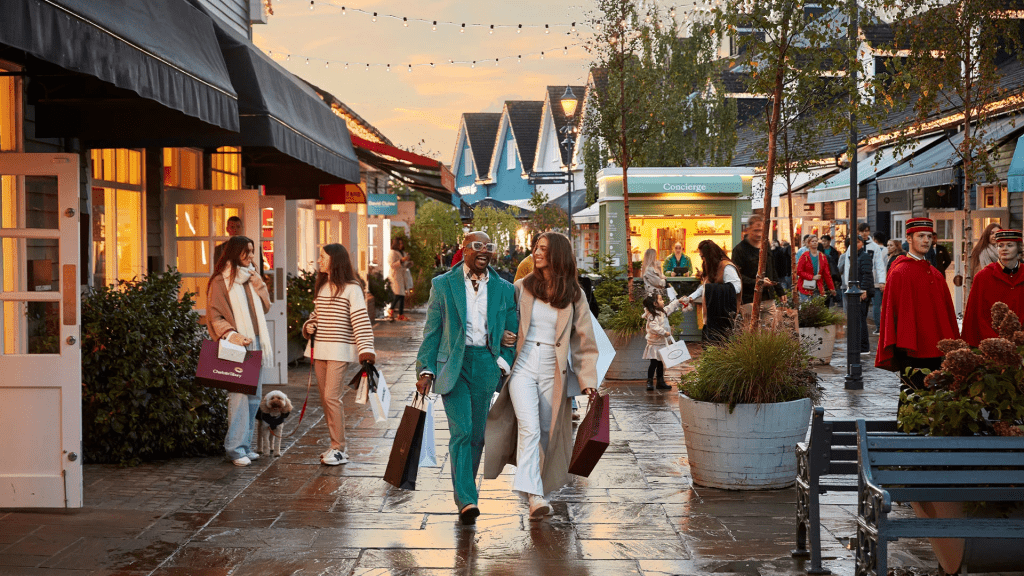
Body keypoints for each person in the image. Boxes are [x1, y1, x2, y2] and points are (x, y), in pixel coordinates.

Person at [484, 232, 599, 520]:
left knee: (547, 432)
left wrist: (588, 383)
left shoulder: (574, 294)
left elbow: (584, 341)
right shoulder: (522, 286)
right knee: (530, 428)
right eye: (536, 248)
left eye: (543, 249)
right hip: (523, 364)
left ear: (557, 254)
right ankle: (534, 496)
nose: (536, 253)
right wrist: (505, 336)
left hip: (553, 367)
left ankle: (537, 489)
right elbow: (502, 319)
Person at [415, 231, 518, 525]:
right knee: (461, 430)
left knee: (477, 435)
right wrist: (425, 369)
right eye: (477, 246)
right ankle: (468, 499)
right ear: (464, 249)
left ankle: (465, 493)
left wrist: (501, 362)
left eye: (489, 246)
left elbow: (512, 330)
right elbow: (432, 331)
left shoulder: (503, 288)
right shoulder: (443, 285)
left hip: (486, 364)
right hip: (453, 366)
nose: (484, 251)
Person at [302, 244, 376, 466]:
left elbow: (361, 320)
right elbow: (317, 316)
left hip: (339, 350)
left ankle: (339, 448)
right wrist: (309, 326)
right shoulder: (323, 287)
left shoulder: (352, 288)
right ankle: (335, 444)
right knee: (326, 400)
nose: (319, 260)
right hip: (320, 350)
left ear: (335, 260)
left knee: (332, 398)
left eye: (323, 257)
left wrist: (366, 349)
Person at [206, 236, 273, 467]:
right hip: (236, 343)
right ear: (236, 253)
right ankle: (235, 449)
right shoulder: (220, 281)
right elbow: (214, 316)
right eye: (247, 252)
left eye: (253, 252)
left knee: (254, 396)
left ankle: (245, 445)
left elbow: (265, 307)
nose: (252, 256)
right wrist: (233, 335)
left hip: (255, 342)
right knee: (238, 396)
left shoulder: (251, 277)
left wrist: (260, 286)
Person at [876, 218, 959, 401]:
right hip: (910, 347)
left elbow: (945, 312)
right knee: (912, 396)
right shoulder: (900, 272)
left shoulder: (936, 274)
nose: (926, 240)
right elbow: (892, 312)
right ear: (909, 239)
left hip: (935, 346)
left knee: (936, 396)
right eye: (920, 236)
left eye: (929, 236)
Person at [962, 229, 1024, 346]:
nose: (1004, 249)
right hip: (990, 345)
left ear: (1018, 248)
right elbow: (975, 315)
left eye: (1009, 245)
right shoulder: (983, 277)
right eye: (1000, 245)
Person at [682, 239, 741, 343]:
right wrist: (691, 297)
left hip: (721, 317)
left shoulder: (726, 267)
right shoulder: (711, 266)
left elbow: (737, 287)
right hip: (710, 317)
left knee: (719, 346)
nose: (702, 259)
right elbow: (705, 286)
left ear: (709, 255)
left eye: (702, 256)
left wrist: (713, 289)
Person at [733, 214, 786, 328]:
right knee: (752, 333)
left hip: (768, 297)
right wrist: (758, 282)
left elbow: (772, 269)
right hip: (749, 298)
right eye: (755, 230)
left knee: (771, 332)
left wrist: (780, 291)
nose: (758, 234)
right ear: (748, 229)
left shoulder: (765, 245)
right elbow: (737, 275)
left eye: (761, 230)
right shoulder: (739, 250)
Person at [642, 292, 685, 391]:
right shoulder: (652, 316)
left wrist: (678, 301)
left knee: (661, 363)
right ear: (655, 304)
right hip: (655, 344)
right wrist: (664, 332)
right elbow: (654, 327)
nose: (663, 301)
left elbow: (670, 307)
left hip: (662, 343)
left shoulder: (663, 312)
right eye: (661, 299)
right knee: (653, 363)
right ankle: (649, 381)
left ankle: (660, 381)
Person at [796, 235, 836, 303]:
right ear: (808, 243)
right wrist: (812, 277)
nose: (815, 243)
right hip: (805, 287)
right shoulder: (804, 256)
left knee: (817, 309)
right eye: (812, 241)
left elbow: (827, 274)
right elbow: (799, 271)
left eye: (816, 241)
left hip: (818, 287)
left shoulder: (822, 257)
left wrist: (831, 288)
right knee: (806, 308)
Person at [853, 236, 876, 354]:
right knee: (858, 318)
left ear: (862, 243)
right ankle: (861, 345)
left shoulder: (864, 256)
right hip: (857, 290)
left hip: (862, 291)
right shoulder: (855, 255)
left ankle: (864, 347)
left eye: (857, 241)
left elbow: (867, 274)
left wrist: (864, 289)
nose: (855, 244)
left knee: (861, 318)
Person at [389, 237, 413, 321]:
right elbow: (392, 265)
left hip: (402, 275)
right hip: (396, 275)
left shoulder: (402, 252)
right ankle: (391, 309)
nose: (401, 245)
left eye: (402, 243)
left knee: (402, 294)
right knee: (399, 293)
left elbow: (405, 265)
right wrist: (401, 261)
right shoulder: (392, 253)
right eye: (399, 243)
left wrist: (409, 263)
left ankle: (400, 314)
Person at [820, 235, 842, 306]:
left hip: (830, 274)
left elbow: (835, 264)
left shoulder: (833, 251)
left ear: (829, 241)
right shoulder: (820, 252)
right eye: (822, 241)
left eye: (825, 241)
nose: (824, 243)